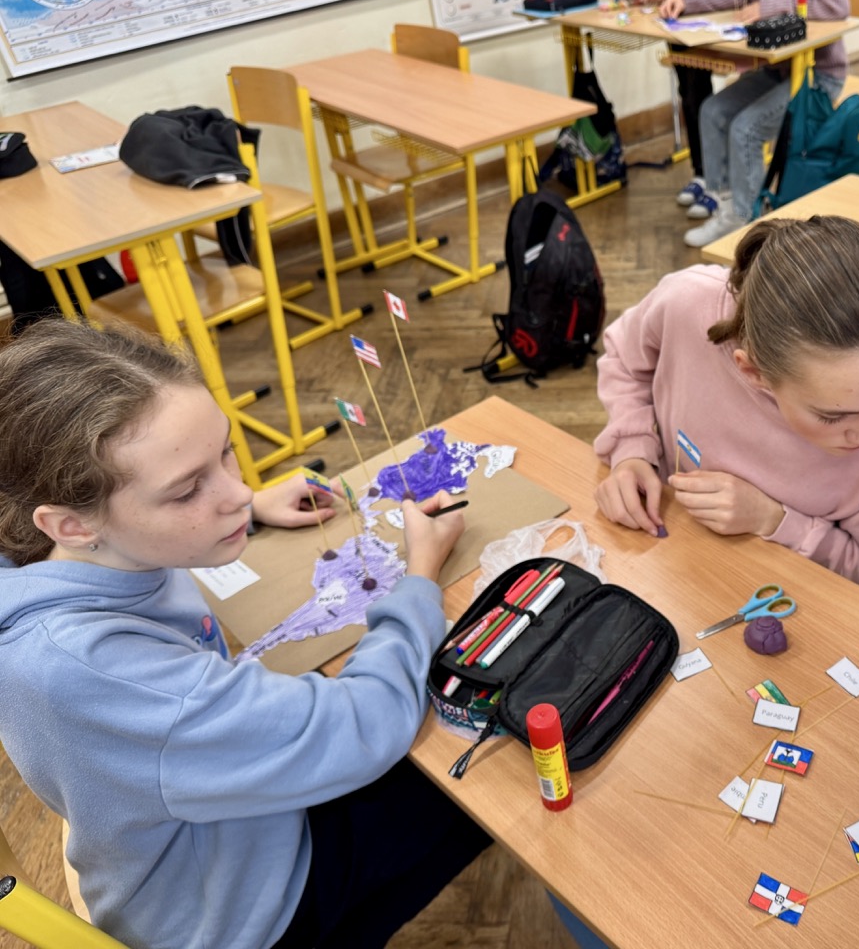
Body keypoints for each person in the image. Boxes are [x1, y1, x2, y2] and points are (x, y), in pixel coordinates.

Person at [0, 320, 491, 949]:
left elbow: (171, 510)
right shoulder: (94, 671)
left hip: (213, 829)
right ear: (71, 524)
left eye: (225, 453)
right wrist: (420, 578)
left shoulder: (46, 544)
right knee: (481, 777)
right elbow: (366, 722)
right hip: (243, 916)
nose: (237, 491)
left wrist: (248, 513)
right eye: (188, 490)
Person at [594, 216, 859, 606]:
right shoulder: (684, 302)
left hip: (791, 607)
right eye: (833, 416)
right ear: (753, 372)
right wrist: (631, 451)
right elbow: (623, 359)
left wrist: (777, 521)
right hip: (665, 566)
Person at [661, 0, 849, 248]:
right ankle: (728, 212)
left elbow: (836, 4)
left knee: (746, 129)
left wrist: (767, 7)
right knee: (712, 112)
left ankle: (752, 226)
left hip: (817, 74)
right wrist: (686, 2)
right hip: (776, 70)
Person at [631, 0, 718, 220]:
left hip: (709, 4)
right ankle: (701, 174)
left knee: (701, 95)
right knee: (689, 97)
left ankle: (718, 182)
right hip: (678, 12)